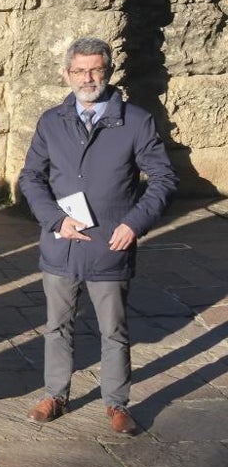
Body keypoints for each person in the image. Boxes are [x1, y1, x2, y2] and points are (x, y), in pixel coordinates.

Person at [18, 37, 178, 436]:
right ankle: (55, 393)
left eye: (95, 70)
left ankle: (116, 403)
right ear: (66, 74)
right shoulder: (51, 121)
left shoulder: (135, 120)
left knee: (114, 330)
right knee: (57, 326)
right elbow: (31, 178)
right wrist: (55, 219)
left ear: (108, 71)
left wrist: (134, 223)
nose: (87, 78)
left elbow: (162, 178)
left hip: (111, 245)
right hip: (61, 244)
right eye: (79, 70)